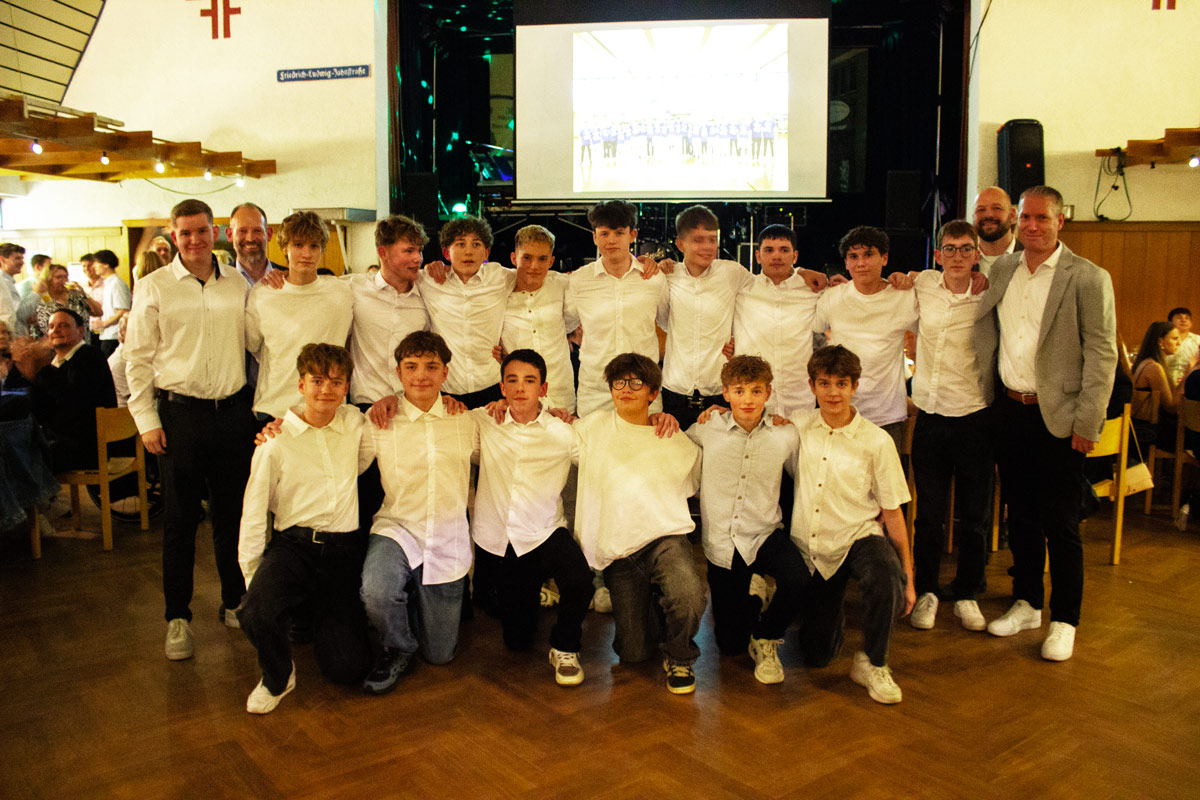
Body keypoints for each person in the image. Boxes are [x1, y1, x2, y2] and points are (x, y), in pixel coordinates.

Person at [977, 185, 1117, 662]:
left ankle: (1065, 619)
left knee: (1061, 522)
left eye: (1042, 217)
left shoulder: (1088, 277)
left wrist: (1088, 422)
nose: (1032, 226)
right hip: (1010, 410)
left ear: (1061, 220)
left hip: (1060, 417)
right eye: (1026, 217)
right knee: (1020, 515)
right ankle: (1028, 602)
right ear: (1016, 221)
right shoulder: (1003, 269)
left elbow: (1102, 355)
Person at [124, 198, 258, 662]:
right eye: (185, 233)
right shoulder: (154, 286)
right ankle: (177, 616)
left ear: (215, 231)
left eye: (202, 231)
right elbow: (137, 359)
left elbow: (257, 342)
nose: (195, 240)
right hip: (179, 416)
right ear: (173, 235)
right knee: (180, 521)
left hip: (233, 414)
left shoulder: (238, 282)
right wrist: (146, 421)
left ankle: (233, 599)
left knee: (232, 516)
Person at [237, 343, 375, 714]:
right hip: (294, 547)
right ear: (301, 385)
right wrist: (253, 577)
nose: (326, 390)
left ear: (346, 388)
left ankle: (311, 618)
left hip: (342, 551)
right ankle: (278, 675)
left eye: (336, 382)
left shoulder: (355, 423)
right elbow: (254, 512)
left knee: (349, 668)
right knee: (255, 610)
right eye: (317, 381)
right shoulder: (274, 441)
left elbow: (364, 461)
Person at [790, 345, 914, 704]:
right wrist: (716, 411)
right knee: (817, 654)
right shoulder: (796, 426)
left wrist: (908, 576)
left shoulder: (876, 441)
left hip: (858, 536)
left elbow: (893, 512)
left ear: (854, 386)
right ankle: (826, 620)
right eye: (824, 383)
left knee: (887, 575)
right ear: (812, 386)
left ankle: (874, 661)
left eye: (841, 384)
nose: (833, 393)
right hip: (813, 546)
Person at [573, 353, 704, 694]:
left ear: (653, 392)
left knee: (689, 595)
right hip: (621, 552)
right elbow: (554, 434)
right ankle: (658, 606)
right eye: (618, 382)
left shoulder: (671, 436)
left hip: (665, 540)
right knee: (633, 653)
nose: (626, 389)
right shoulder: (592, 427)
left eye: (636, 382)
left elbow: (695, 479)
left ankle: (680, 656)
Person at [360, 331, 477, 694]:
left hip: (447, 536)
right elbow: (337, 450)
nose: (421, 375)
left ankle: (415, 604)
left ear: (445, 373)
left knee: (441, 655)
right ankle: (398, 645)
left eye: (431, 366)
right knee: (376, 591)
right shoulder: (379, 421)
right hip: (398, 527)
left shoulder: (467, 420)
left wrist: (554, 412)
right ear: (399, 373)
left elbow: (513, 432)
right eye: (411, 367)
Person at [471, 349, 594, 685]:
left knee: (580, 581)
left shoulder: (563, 431)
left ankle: (565, 646)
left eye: (529, 381)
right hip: (502, 539)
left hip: (545, 531)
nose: (520, 387)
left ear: (543, 388)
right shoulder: (484, 421)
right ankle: (536, 592)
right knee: (517, 640)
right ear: (502, 387)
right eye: (512, 380)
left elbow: (601, 452)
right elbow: (443, 418)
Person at [687, 355, 806, 684]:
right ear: (725, 393)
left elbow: (803, 478)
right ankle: (754, 593)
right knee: (729, 645)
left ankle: (767, 637)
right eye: (739, 391)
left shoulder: (785, 435)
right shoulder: (706, 429)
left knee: (798, 579)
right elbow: (677, 454)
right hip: (722, 543)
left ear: (768, 393)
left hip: (764, 532)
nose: (748, 400)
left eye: (756, 391)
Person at [908, 221, 993, 632]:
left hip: (974, 415)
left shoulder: (989, 292)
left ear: (976, 254)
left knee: (974, 516)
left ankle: (967, 593)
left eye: (965, 249)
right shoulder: (923, 284)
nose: (957, 256)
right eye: (950, 249)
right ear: (938, 254)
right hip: (930, 414)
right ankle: (927, 590)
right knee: (929, 515)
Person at [812, 226, 918, 452]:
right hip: (841, 412)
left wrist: (913, 277)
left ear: (884, 258)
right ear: (846, 263)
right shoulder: (832, 298)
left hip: (888, 415)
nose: (861, 263)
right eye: (853, 256)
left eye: (868, 254)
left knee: (887, 476)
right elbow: (813, 332)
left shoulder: (904, 297)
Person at [564, 201, 669, 417]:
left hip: (643, 386)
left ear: (632, 235)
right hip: (596, 389)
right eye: (604, 233)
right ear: (595, 237)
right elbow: (564, 325)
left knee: (644, 439)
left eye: (619, 233)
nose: (611, 240)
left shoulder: (653, 278)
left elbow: (670, 324)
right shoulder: (579, 280)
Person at [245, 212, 352, 420]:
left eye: (314, 246)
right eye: (298, 245)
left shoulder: (342, 292)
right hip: (275, 408)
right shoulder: (263, 293)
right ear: (284, 247)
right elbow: (252, 345)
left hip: (327, 408)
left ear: (322, 249)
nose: (306, 253)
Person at [656, 206, 753, 429]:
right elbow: (664, 322)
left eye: (712, 239)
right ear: (680, 244)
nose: (708, 247)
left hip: (719, 391)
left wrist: (800, 273)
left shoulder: (732, 272)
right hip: (675, 391)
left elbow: (766, 290)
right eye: (698, 240)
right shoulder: (668, 276)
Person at [418, 216, 513, 408]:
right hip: (447, 388)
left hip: (491, 384)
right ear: (446, 252)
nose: (468, 251)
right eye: (460, 244)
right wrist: (430, 266)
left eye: (476, 244)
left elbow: (535, 280)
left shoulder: (502, 277)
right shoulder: (427, 280)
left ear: (486, 252)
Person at [733, 225, 824, 416]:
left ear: (795, 256)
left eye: (784, 250)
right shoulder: (741, 289)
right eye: (769, 250)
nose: (776, 256)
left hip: (798, 397)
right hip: (752, 399)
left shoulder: (813, 290)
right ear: (758, 256)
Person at [10, 309, 116, 470]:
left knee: (15, 457)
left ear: (80, 331)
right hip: (61, 441)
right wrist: (27, 372)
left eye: (63, 325)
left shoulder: (90, 356)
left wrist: (39, 369)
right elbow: (41, 412)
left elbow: (74, 405)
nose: (56, 330)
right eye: (51, 327)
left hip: (87, 447)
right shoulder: (51, 365)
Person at [500, 225, 575, 413]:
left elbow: (570, 324)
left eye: (542, 259)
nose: (534, 266)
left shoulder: (562, 284)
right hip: (518, 399)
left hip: (561, 395)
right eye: (527, 258)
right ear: (514, 258)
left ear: (551, 261)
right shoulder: (498, 289)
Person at [1130, 320, 1184, 445]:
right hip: (1148, 431)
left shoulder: (1146, 362)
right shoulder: (1153, 367)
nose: (1179, 343)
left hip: (1145, 427)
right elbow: (1171, 407)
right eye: (1175, 338)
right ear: (1160, 342)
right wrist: (1188, 373)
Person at [31, 263, 101, 340]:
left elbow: (98, 312)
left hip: (81, 343)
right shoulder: (42, 300)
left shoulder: (75, 296)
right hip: (53, 344)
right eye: (59, 277)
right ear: (48, 280)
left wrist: (84, 294)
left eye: (66, 277)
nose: (64, 280)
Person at [226, 203, 286, 286]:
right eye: (243, 231)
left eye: (257, 230)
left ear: (268, 234)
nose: (250, 239)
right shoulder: (219, 281)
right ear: (229, 235)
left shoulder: (288, 278)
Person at [87, 250, 131, 357]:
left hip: (114, 335)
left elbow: (123, 310)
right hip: (107, 334)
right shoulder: (109, 283)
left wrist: (104, 323)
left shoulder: (117, 283)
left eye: (96, 263)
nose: (94, 266)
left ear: (106, 264)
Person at [973, 186, 1018, 277]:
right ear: (973, 217)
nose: (988, 215)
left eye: (997, 208)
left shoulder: (1031, 258)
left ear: (1012, 215)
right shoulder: (961, 259)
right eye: (981, 210)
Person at [1165, 307, 1199, 386]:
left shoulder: (1198, 340)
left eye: (1187, 318)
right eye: (1179, 317)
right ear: (1170, 322)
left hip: (1192, 383)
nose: (1184, 320)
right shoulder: (1163, 340)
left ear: (1191, 323)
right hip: (1167, 382)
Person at [0, 243, 26, 335]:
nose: (22, 262)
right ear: (2, 260)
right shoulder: (3, 281)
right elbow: (17, 314)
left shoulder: (9, 282)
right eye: (17, 258)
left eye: (22, 258)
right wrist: (37, 293)